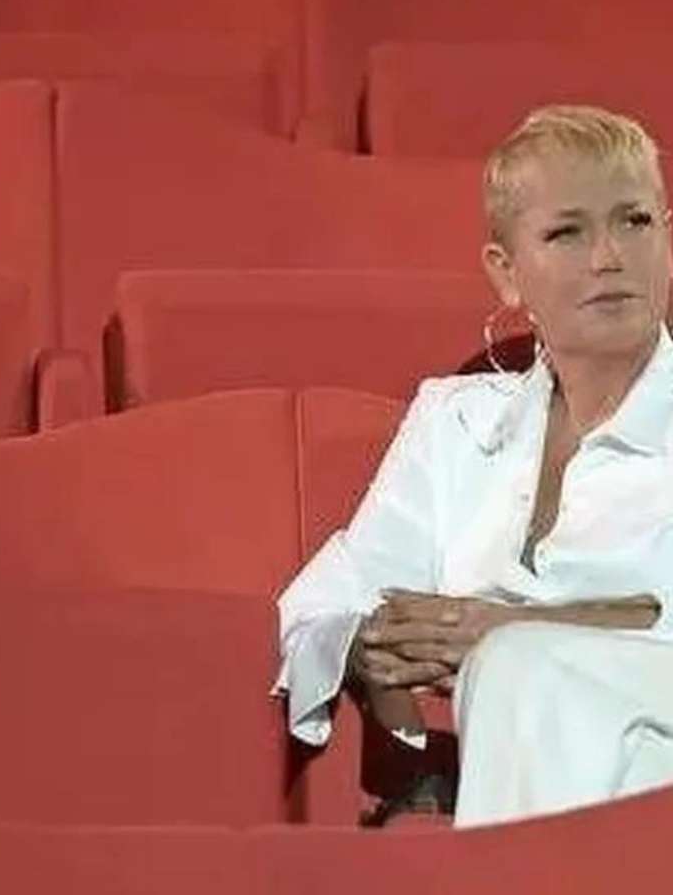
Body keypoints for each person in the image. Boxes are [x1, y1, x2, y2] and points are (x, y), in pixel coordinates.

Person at [276, 104, 673, 827]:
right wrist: (379, 650)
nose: (608, 256)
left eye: (635, 221)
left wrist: (510, 631)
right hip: (570, 780)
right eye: (567, 232)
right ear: (507, 273)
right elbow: (323, 607)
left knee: (517, 668)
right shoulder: (454, 423)